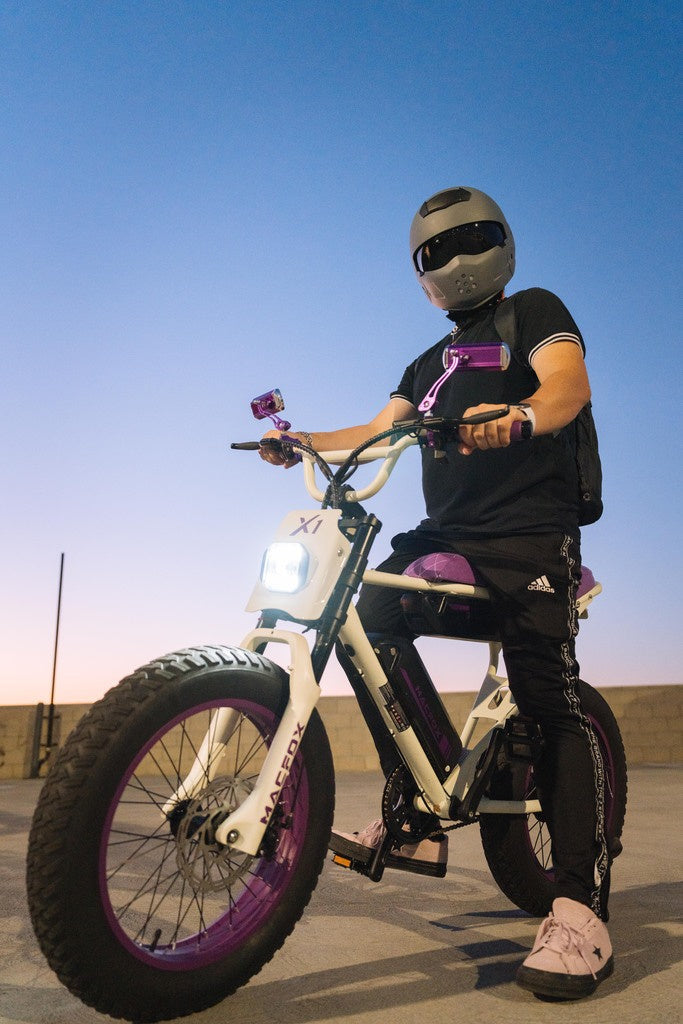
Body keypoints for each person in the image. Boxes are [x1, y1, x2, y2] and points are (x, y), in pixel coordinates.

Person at [259, 186, 612, 1000]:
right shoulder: (426, 365)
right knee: (370, 615)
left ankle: (580, 906)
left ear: (501, 242)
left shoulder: (532, 310)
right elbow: (376, 430)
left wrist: (520, 416)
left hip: (529, 533)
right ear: (421, 271)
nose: (455, 258)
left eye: (470, 238)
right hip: (447, 539)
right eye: (437, 249)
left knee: (547, 697)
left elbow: (566, 387)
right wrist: (303, 441)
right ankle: (418, 812)